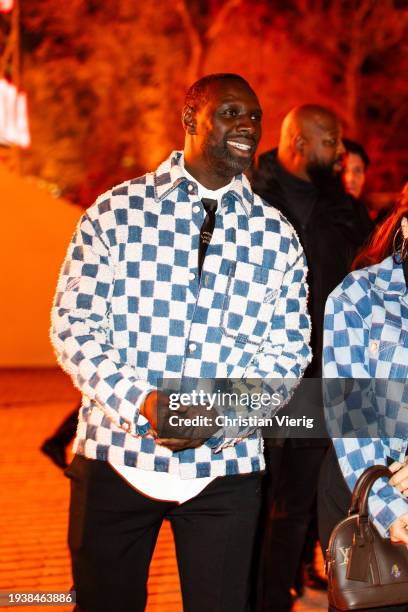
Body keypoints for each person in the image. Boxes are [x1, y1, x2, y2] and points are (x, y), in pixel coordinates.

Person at [50, 73, 312, 612]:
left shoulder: (278, 235)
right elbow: (73, 325)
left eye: (255, 117)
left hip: (225, 473)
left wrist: (219, 414)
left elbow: (288, 354)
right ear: (190, 119)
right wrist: (140, 402)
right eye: (232, 112)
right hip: (115, 460)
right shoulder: (115, 213)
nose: (248, 126)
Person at [251, 105, 365, 611]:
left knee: (293, 510)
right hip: (251, 382)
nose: (339, 152)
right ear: (297, 141)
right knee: (246, 502)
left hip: (318, 385)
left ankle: (275, 601)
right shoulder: (246, 197)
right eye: (330, 142)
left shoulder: (345, 212)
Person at [320, 183, 408, 612]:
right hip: (366, 492)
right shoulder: (359, 298)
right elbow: (350, 416)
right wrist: (392, 509)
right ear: (405, 228)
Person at [342, 138, 373, 237]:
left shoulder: (363, 216)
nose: (350, 178)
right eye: (344, 170)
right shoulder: (321, 218)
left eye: (358, 170)